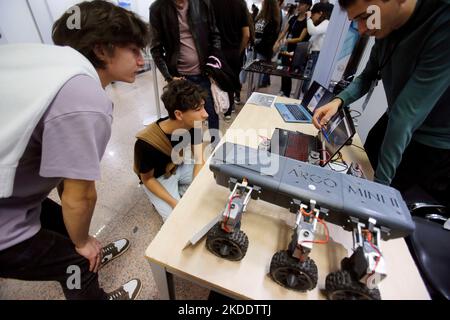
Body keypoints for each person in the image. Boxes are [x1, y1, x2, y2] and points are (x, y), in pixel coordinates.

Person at [0, 1, 149, 300]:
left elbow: (58, 170)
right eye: (133, 50)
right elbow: (79, 196)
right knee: (76, 262)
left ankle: (86, 249)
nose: (141, 60)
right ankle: (87, 264)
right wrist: (81, 243)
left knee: (65, 231)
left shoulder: (48, 63)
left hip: (11, 196)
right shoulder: (86, 99)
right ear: (102, 49)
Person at [312, 0, 450, 206]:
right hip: (393, 123)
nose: (360, 29)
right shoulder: (384, 25)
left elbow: (406, 113)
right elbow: (367, 76)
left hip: (431, 150)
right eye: (355, 21)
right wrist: (339, 101)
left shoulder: (443, 21)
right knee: (362, 175)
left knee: (395, 217)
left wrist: (376, 193)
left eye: (365, 17)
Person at [134, 80, 208, 221]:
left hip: (177, 166)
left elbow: (200, 159)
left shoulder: (195, 125)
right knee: (177, 220)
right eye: (198, 110)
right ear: (179, 114)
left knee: (208, 178)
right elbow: (147, 179)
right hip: (158, 178)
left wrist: (197, 187)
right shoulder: (145, 143)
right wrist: (174, 203)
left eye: (203, 107)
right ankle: (167, 197)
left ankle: (179, 189)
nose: (205, 114)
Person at [149, 0, 221, 138]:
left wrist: (213, 66)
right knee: (186, 120)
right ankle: (191, 152)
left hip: (204, 73)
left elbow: (215, 36)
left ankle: (216, 152)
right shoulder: (158, 8)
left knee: (211, 114)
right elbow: (155, 49)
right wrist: (169, 77)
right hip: (179, 77)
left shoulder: (202, 3)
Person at [211, 0, 250, 121]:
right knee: (232, 80)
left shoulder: (212, 3)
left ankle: (215, 110)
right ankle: (228, 110)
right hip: (234, 51)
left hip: (217, 50)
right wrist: (239, 51)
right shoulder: (241, 3)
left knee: (216, 82)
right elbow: (247, 35)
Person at [276, 0, 312, 97]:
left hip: (298, 51)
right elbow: (284, 31)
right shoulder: (293, 18)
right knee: (283, 70)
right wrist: (277, 41)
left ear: (308, 6)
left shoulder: (307, 21)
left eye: (302, 4)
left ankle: (287, 93)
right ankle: (283, 90)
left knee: (290, 72)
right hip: (287, 49)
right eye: (299, 4)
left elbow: (301, 38)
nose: (299, 6)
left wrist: (287, 40)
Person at [302, 2, 334, 92]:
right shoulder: (323, 24)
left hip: (317, 55)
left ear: (320, 13)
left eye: (313, 14)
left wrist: (308, 18)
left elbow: (312, 31)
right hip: (314, 55)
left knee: (309, 80)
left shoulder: (327, 22)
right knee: (307, 79)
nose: (312, 17)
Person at [254, 0, 281, 88]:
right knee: (254, 74)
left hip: (263, 50)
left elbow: (270, 39)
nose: (262, 2)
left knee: (259, 76)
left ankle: (259, 87)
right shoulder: (260, 15)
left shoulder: (273, 20)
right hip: (255, 48)